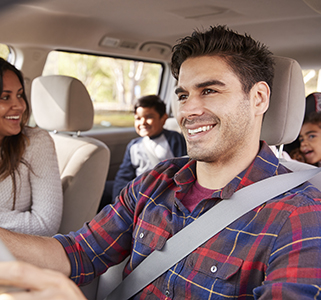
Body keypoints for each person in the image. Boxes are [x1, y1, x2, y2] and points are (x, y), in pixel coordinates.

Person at [1, 25, 321, 299]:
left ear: (259, 99)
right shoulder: (156, 182)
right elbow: (77, 252)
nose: (188, 111)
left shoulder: (300, 213)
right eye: (183, 95)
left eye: (209, 90)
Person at [0, 58, 63, 236]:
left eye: (20, 95)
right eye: (6, 97)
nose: (20, 105)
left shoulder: (35, 142)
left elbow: (45, 224)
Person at [98, 94, 187, 210]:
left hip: (163, 189)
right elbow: (124, 175)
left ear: (163, 118)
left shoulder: (174, 139)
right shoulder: (134, 145)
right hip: (138, 189)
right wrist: (118, 199)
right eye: (138, 118)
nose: (143, 122)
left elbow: (183, 168)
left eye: (149, 117)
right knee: (101, 188)